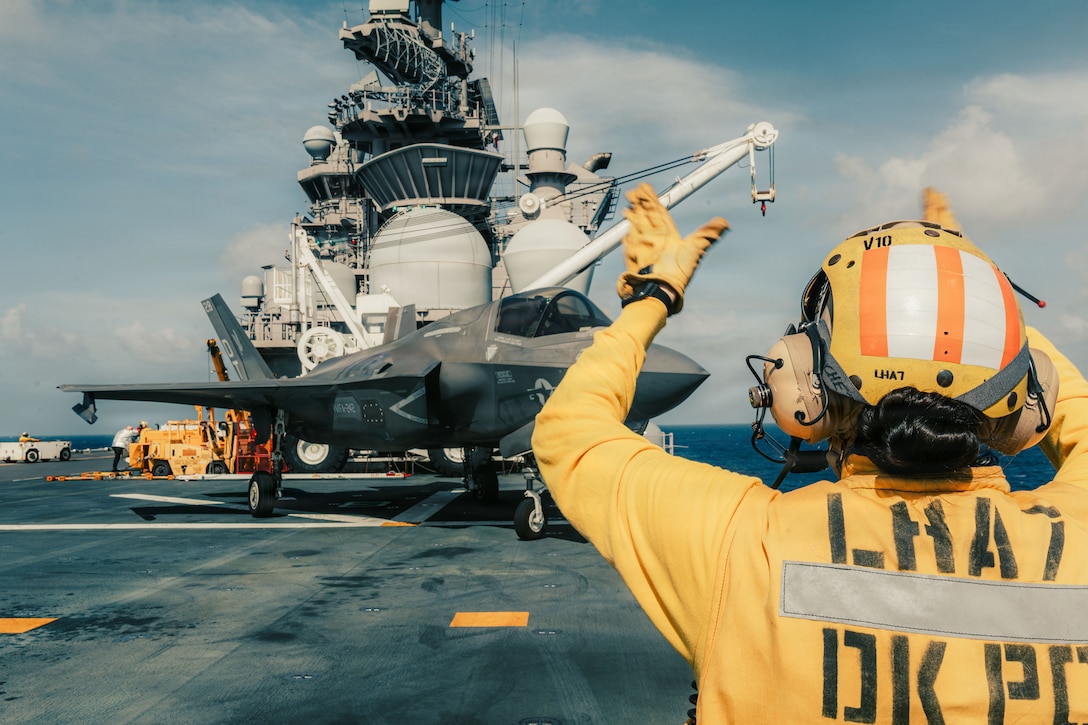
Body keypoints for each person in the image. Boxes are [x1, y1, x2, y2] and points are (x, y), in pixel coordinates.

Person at [532, 183, 1088, 722]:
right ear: (1027, 390)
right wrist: (967, 294)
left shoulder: (738, 541)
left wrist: (652, 298)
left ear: (803, 382)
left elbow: (569, 431)